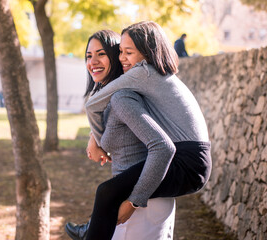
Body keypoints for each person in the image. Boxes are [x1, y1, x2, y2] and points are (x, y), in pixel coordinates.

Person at [66, 21, 212, 240]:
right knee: (107, 192)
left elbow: (92, 105)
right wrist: (93, 138)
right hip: (190, 157)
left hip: (186, 160)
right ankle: (90, 229)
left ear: (147, 52)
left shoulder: (141, 75)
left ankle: (89, 232)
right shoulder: (151, 78)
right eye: (121, 52)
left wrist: (134, 201)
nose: (123, 58)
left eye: (128, 52)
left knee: (106, 192)